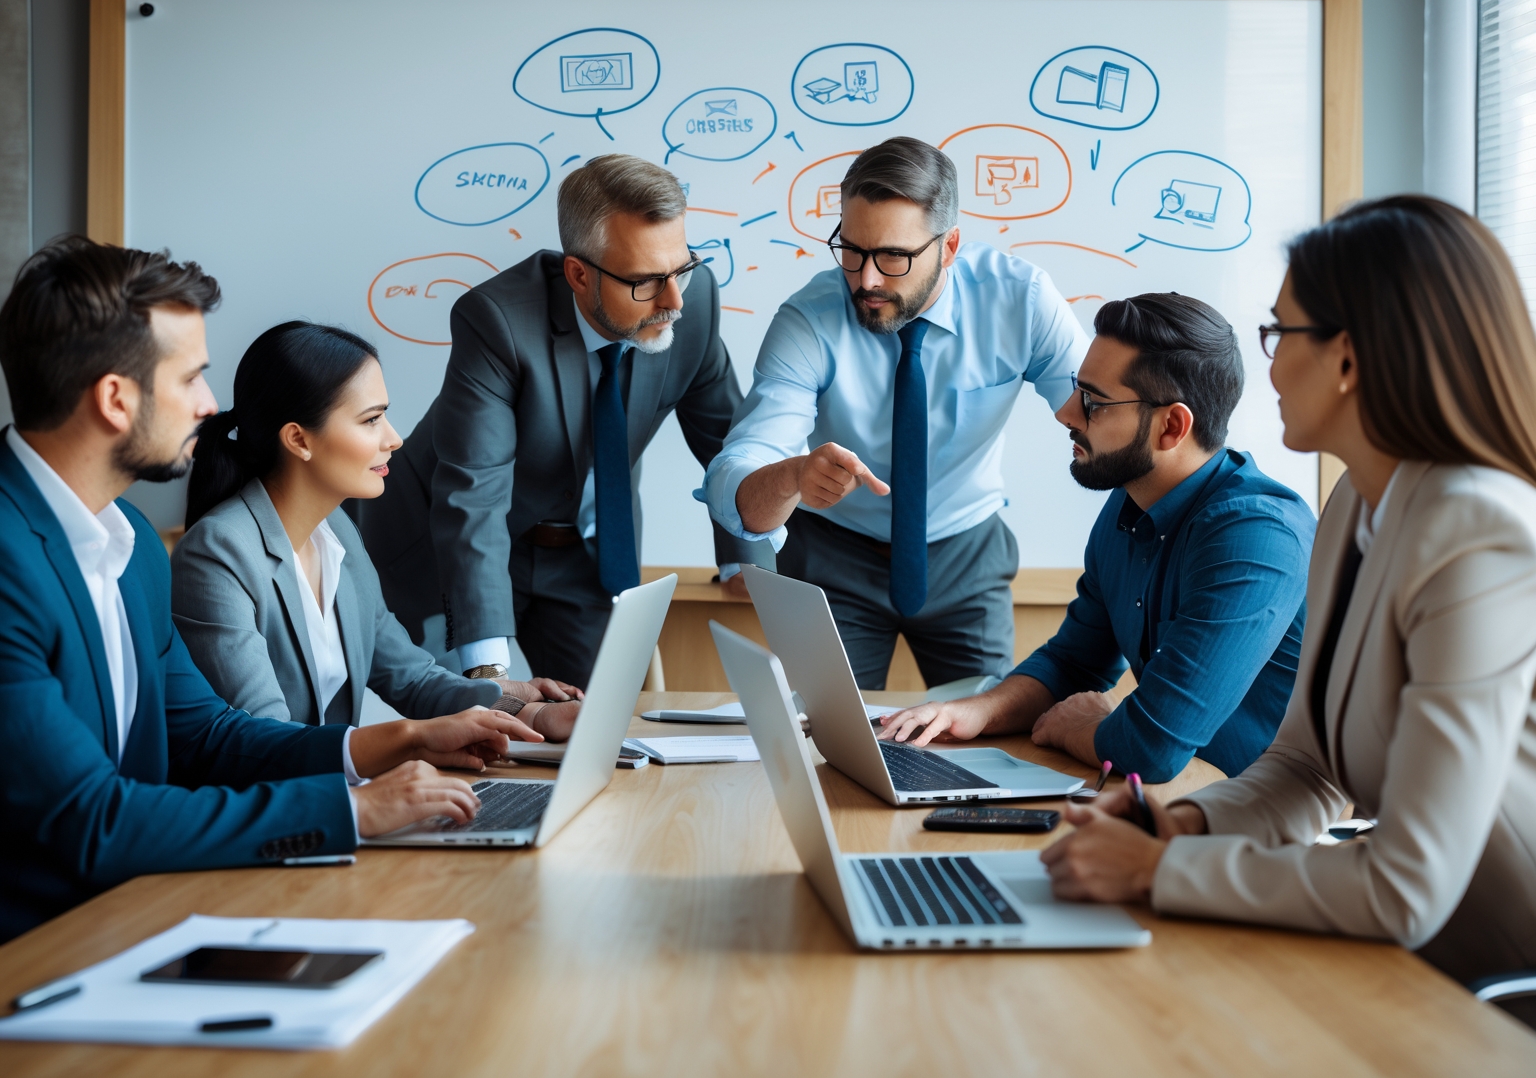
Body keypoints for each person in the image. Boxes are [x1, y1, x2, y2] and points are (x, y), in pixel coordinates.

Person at [1042, 196, 1536, 1021]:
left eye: (1280, 335)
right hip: (1407, 955)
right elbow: (1309, 772)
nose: (1264, 367)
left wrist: (1157, 872)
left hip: (1493, 979)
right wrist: (1180, 825)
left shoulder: (1479, 531)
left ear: (1347, 355)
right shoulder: (1355, 502)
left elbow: (1405, 886)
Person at [0, 237, 548, 941]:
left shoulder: (130, 544)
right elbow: (91, 819)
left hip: (127, 918)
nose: (208, 404)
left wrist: (406, 738)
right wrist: (354, 810)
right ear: (115, 399)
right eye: (191, 378)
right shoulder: (14, 561)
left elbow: (209, 736)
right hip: (39, 952)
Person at [359, 153, 771, 688]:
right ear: (578, 274)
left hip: (586, 553)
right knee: (460, 734)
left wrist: (746, 561)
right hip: (450, 550)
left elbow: (726, 442)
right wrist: (488, 677)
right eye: (645, 282)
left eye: (683, 268)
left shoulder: (690, 298)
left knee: (602, 730)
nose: (673, 301)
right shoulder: (497, 321)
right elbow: (475, 494)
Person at [701, 137, 1088, 690]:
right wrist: (791, 475)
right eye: (852, 250)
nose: (866, 280)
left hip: (967, 553)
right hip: (833, 558)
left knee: (989, 737)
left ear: (949, 246)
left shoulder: (1020, 300)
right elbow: (743, 463)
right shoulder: (808, 320)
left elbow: (1099, 412)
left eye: (893, 257)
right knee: (828, 738)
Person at [879, 293, 1315, 783]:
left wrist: (1084, 727)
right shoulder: (1130, 504)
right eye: (1075, 390)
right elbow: (1073, 663)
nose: (1066, 413)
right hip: (1185, 804)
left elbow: (1152, 747)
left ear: (1171, 426)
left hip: (1271, 828)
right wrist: (976, 712)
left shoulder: (1258, 538)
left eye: (1093, 401)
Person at [172, 322, 582, 737]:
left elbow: (413, 678)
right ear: (299, 439)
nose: (395, 439)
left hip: (336, 787)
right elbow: (263, 738)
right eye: (371, 420)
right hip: (283, 795)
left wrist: (526, 711)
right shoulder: (218, 552)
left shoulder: (336, 533)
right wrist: (406, 744)